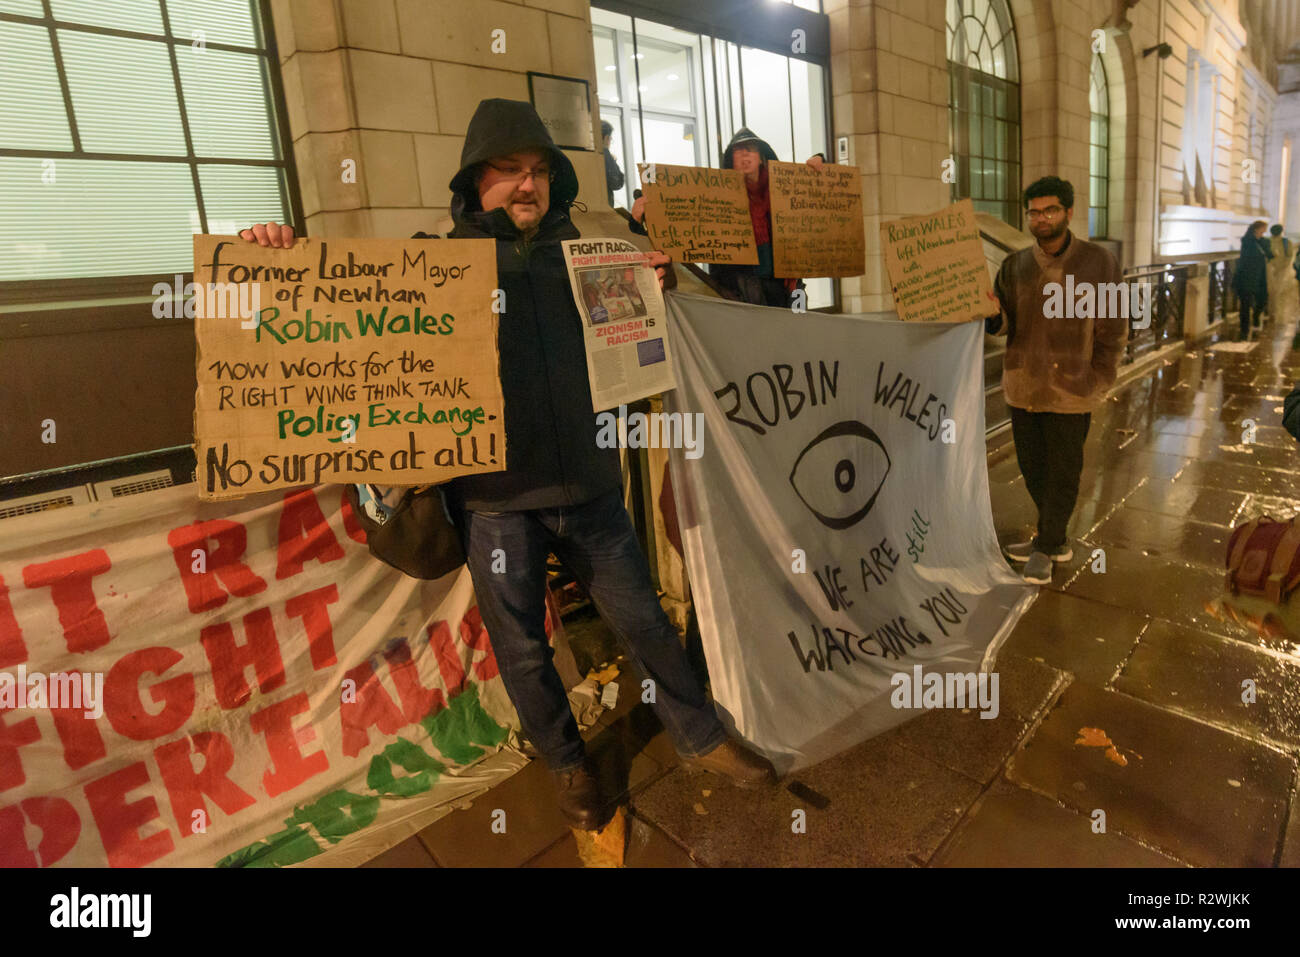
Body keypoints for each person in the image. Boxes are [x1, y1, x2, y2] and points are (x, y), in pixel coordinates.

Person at [238, 99, 775, 832]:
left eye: (540, 171)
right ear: (474, 180)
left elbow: (640, 335)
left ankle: (702, 737)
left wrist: (658, 283)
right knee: (522, 650)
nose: (529, 185)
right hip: (493, 503)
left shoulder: (589, 251)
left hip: (591, 488)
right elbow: (329, 316)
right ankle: (569, 767)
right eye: (510, 171)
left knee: (645, 623)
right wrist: (274, 259)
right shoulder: (431, 264)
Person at [986, 176, 1127, 585]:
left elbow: (1114, 326)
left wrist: (1099, 380)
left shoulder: (1098, 262)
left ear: (1068, 211)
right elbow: (1003, 324)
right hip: (1023, 388)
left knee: (1063, 473)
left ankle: (1046, 548)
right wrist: (992, 314)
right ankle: (1056, 541)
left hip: (1071, 391)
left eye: (1050, 210)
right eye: (1034, 211)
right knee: (1033, 470)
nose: (1041, 218)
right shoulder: (1015, 266)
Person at [631, 128, 825, 307]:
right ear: (730, 161)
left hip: (789, 288)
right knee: (754, 341)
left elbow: (821, 211)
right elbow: (678, 225)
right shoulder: (715, 199)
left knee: (797, 335)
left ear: (761, 157)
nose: (745, 154)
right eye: (738, 151)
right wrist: (643, 219)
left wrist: (820, 163)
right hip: (738, 291)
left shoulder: (783, 191)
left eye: (750, 149)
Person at [1232, 220, 1272, 339]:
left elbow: (1270, 254)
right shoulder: (1247, 241)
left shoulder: (1263, 242)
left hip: (1259, 277)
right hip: (1246, 277)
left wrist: (1262, 241)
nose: (1264, 232)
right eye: (1263, 229)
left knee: (1263, 299)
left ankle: (1255, 317)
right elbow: (1246, 258)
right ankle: (1245, 328)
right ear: (1257, 229)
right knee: (1245, 303)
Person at [1267, 224, 1291, 315]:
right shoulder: (1286, 242)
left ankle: (1270, 310)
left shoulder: (1266, 241)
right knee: (1276, 291)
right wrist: (1283, 266)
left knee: (1270, 290)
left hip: (1270, 268)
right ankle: (1273, 310)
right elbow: (1289, 256)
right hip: (1280, 270)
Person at [601, 120, 624, 208]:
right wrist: (611, 160)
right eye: (610, 139)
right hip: (603, 211)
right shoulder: (605, 155)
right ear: (606, 138)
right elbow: (617, 183)